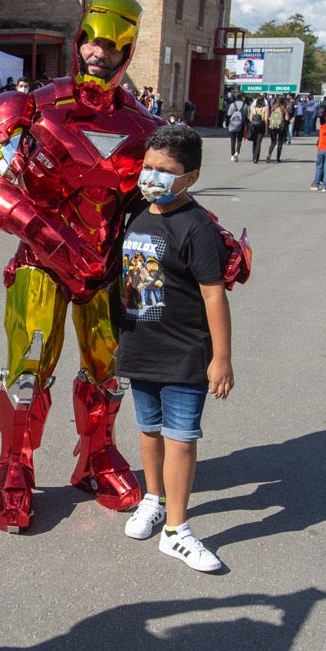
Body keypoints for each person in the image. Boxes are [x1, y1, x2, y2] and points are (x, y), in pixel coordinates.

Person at [0, 0, 164, 532]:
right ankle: (16, 465)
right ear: (79, 41)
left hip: (108, 267)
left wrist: (214, 243)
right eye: (94, 41)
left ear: (128, 54)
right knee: (28, 372)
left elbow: (162, 201)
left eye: (114, 46)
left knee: (109, 373)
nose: (101, 54)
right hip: (41, 263)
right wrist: (54, 239)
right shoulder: (23, 110)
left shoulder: (145, 129)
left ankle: (97, 456)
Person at [117, 125, 238, 573]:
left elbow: (213, 294)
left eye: (165, 171)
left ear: (190, 177)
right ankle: (152, 499)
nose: (152, 177)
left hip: (185, 352)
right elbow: (135, 284)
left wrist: (221, 358)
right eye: (148, 167)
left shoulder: (197, 227)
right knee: (148, 431)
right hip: (140, 345)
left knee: (181, 440)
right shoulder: (137, 214)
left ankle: (177, 530)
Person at [245, 96, 268, 163]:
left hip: (254, 126)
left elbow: (250, 119)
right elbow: (266, 119)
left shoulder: (253, 108)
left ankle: (253, 157)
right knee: (258, 143)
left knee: (254, 143)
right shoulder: (265, 109)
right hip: (261, 126)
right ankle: (256, 158)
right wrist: (266, 129)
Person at [224, 93, 244, 161]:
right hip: (241, 124)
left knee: (233, 140)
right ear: (242, 97)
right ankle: (237, 152)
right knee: (239, 139)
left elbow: (229, 114)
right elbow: (247, 115)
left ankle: (232, 155)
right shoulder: (245, 105)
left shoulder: (232, 105)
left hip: (232, 124)